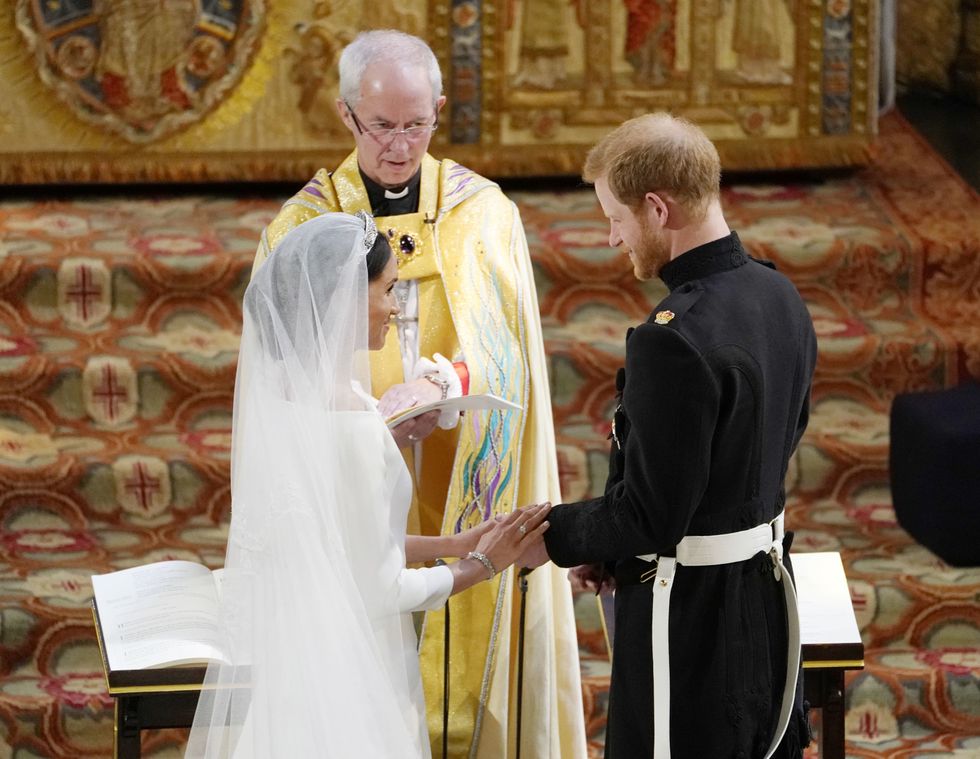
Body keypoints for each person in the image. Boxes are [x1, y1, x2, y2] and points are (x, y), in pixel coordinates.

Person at [250, 30, 586, 759]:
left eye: (416, 124)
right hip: (350, 458)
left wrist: (441, 381)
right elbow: (279, 369)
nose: (400, 145)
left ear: (437, 110)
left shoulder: (482, 212)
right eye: (381, 127)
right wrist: (367, 428)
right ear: (346, 117)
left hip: (462, 461)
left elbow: (510, 348)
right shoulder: (304, 227)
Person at [185, 212, 552, 758]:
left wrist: (453, 543)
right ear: (346, 298)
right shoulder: (356, 427)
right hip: (350, 670)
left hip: (294, 660)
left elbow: (338, 548)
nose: (397, 307)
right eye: (388, 290)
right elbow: (379, 592)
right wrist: (483, 566)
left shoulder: (286, 404)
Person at [520, 113, 817, 758]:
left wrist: (551, 536)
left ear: (657, 208)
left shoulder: (672, 338)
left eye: (616, 218)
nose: (611, 237)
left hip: (690, 620)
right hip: (764, 598)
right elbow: (782, 435)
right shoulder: (779, 294)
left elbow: (652, 516)